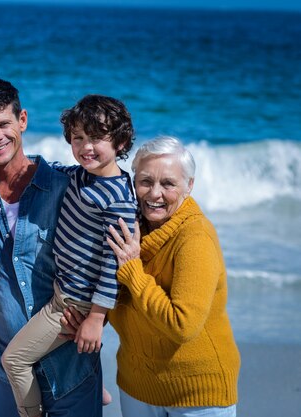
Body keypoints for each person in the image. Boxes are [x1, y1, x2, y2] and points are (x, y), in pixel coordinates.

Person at [0, 79, 106, 417]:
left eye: (3, 124)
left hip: (71, 367)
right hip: (6, 374)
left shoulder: (68, 186)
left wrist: (100, 317)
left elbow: (107, 255)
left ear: (22, 120)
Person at [0, 94, 137, 417]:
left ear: (120, 142)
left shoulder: (118, 198)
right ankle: (94, 383)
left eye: (96, 138)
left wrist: (96, 318)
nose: (86, 147)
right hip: (65, 291)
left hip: (76, 303)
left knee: (14, 360)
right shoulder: (82, 176)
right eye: (78, 138)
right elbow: (60, 171)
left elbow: (111, 263)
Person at [97, 136, 240, 416]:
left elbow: (182, 326)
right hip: (138, 384)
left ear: (189, 186)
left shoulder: (195, 237)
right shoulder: (127, 227)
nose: (154, 194)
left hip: (196, 392)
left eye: (168, 184)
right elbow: (115, 299)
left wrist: (132, 270)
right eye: (146, 181)